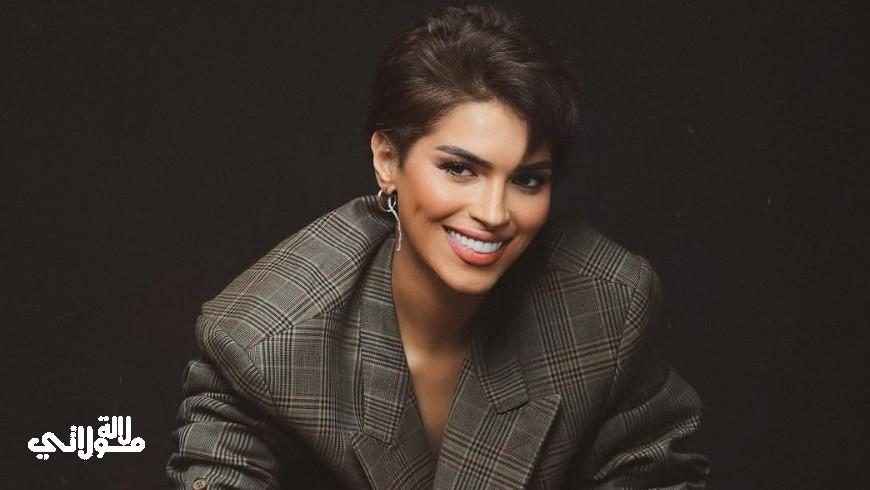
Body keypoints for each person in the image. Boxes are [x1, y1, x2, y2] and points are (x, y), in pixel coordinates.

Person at [167, 4, 709, 489]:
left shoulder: (605, 306)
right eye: (459, 169)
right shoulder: (263, 339)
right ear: (387, 161)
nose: (493, 214)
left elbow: (658, 477)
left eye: (527, 180)